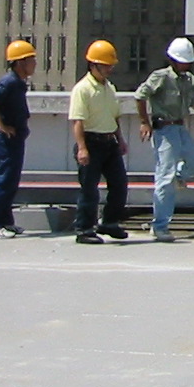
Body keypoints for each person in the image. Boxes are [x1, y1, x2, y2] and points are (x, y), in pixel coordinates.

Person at [134, 37, 194, 243]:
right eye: (182, 61)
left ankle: (179, 176)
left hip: (180, 127)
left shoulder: (189, 80)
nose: (186, 65)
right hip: (164, 130)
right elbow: (140, 95)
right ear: (173, 60)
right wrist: (144, 122)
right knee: (164, 178)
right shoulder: (160, 77)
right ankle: (160, 226)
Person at [69, 40, 129, 245]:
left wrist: (120, 139)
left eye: (111, 66)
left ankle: (109, 223)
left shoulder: (109, 88)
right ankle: (84, 228)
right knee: (89, 189)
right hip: (91, 141)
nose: (109, 69)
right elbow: (78, 121)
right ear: (93, 65)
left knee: (119, 184)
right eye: (106, 65)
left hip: (109, 141)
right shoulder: (83, 89)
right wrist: (82, 148)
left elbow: (115, 117)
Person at [0, 40, 36, 238]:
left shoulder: (18, 83)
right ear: (19, 63)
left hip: (16, 138)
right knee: (5, 180)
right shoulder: (8, 82)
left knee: (11, 181)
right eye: (31, 60)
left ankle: (6, 221)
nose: (34, 64)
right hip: (6, 139)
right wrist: (1, 125)